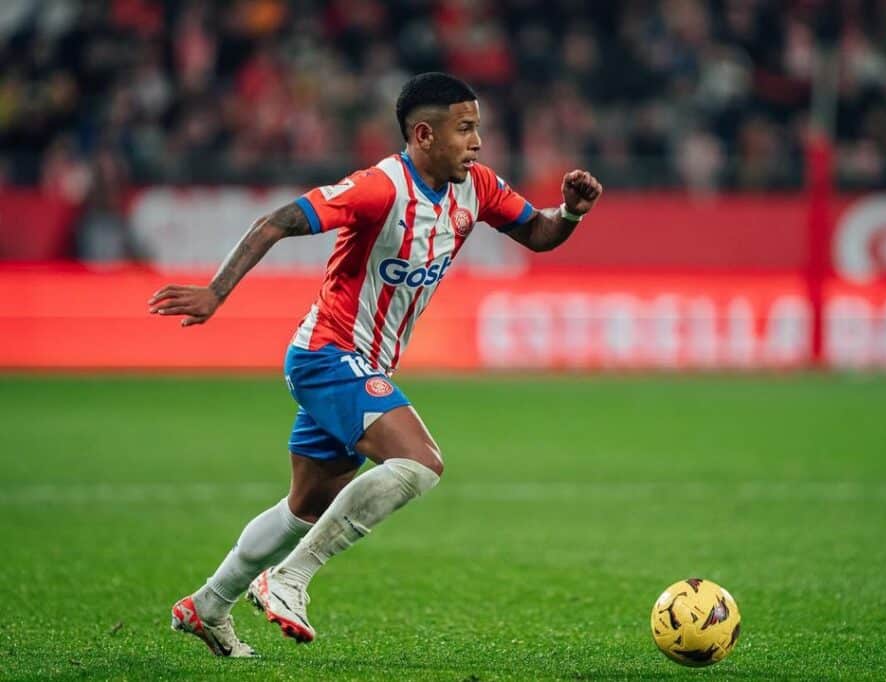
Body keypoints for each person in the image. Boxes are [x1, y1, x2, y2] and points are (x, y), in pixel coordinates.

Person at [150, 72, 603, 657]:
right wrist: (216, 292)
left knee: (305, 507)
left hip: (363, 362)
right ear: (423, 133)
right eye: (465, 129)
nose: (478, 142)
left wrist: (569, 212)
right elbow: (278, 221)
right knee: (421, 463)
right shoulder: (379, 188)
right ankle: (289, 577)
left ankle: (208, 605)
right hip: (325, 354)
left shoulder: (478, 188)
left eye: (478, 129)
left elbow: (538, 234)